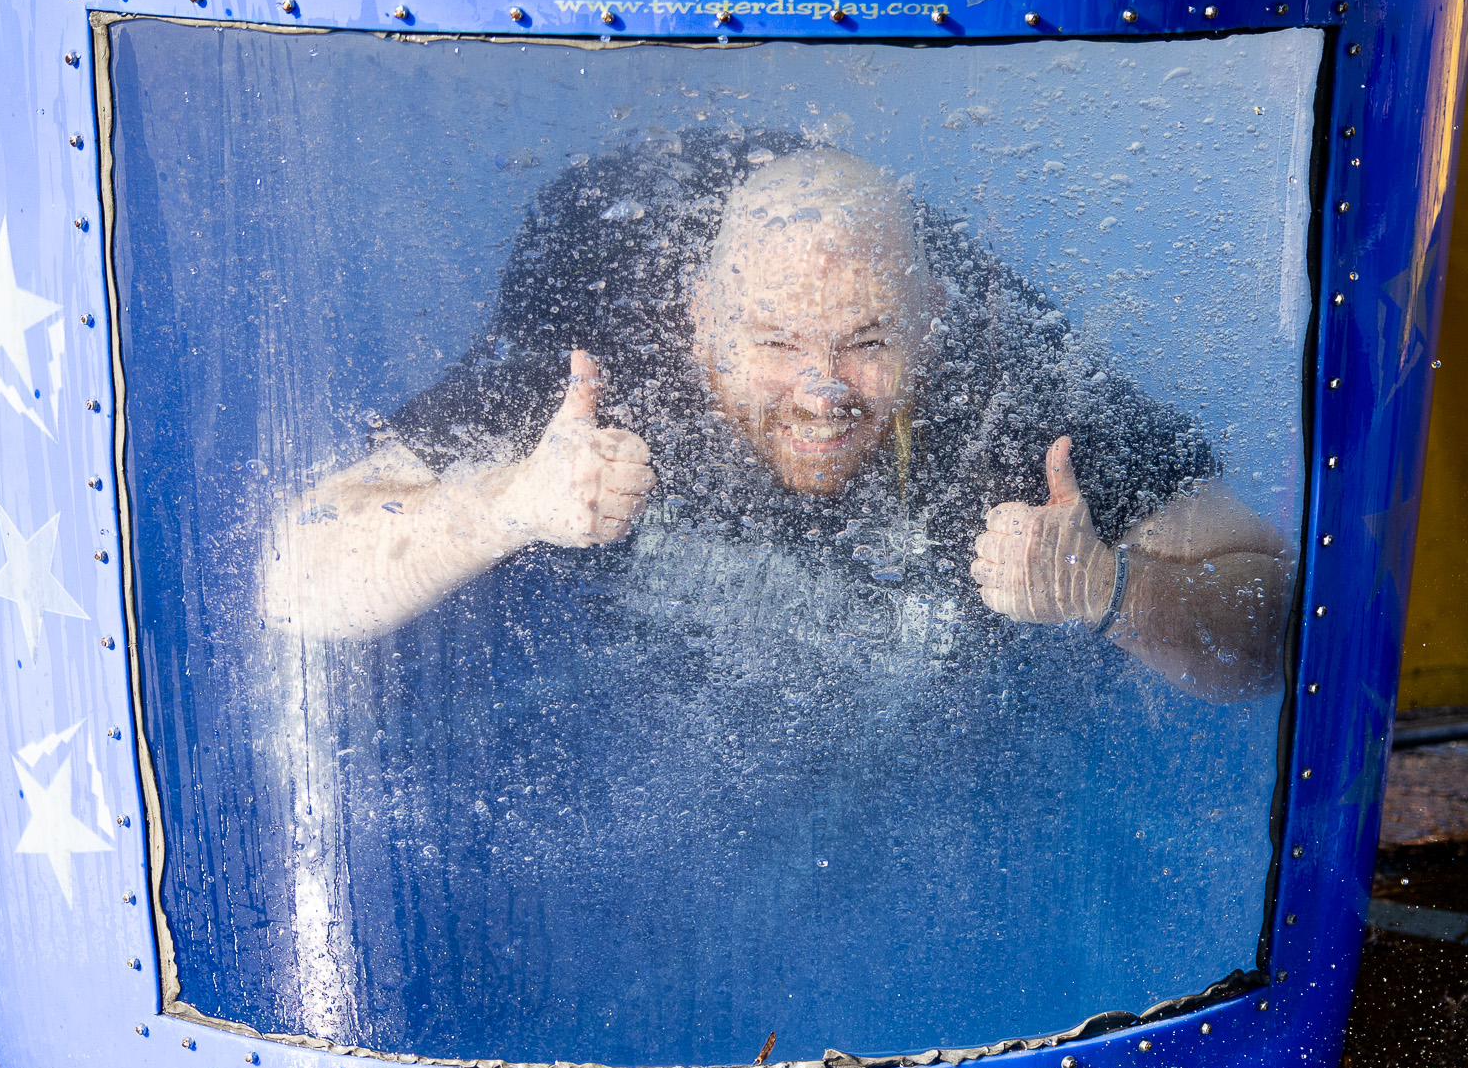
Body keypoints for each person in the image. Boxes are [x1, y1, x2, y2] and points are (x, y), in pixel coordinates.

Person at [265, 144, 1290, 701]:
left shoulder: (1002, 376)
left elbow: (1272, 624)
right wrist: (503, 506)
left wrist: (1109, 590)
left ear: (931, 326)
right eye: (773, 343)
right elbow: (294, 582)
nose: (821, 391)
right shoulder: (601, 342)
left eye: (867, 343)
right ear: (696, 321)